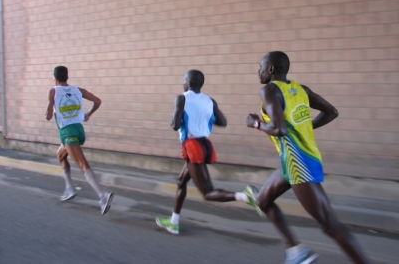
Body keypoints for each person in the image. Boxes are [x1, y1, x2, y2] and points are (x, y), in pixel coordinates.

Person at [246, 52, 372, 264]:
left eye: (260, 67)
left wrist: (256, 124)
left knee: (330, 224)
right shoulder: (301, 89)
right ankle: (297, 251)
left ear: (270, 70)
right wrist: (304, 127)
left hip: (298, 163)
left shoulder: (268, 90)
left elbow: (279, 128)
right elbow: (331, 112)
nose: (257, 71)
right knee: (262, 201)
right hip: (293, 160)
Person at [156, 69, 261, 235]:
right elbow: (222, 121)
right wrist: (204, 115)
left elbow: (175, 125)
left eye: (184, 81)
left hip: (193, 147)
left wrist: (177, 115)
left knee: (208, 193)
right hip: (204, 145)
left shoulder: (181, 98)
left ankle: (245, 196)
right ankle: (173, 221)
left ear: (188, 83)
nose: (183, 84)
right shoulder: (209, 101)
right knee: (181, 182)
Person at [45, 66, 114, 215]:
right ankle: (69, 188)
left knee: (83, 164)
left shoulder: (53, 91)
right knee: (60, 155)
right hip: (78, 130)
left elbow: (48, 116)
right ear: (67, 77)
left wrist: (50, 102)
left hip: (67, 132)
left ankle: (103, 196)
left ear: (54, 78)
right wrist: (89, 113)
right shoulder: (78, 90)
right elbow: (98, 101)